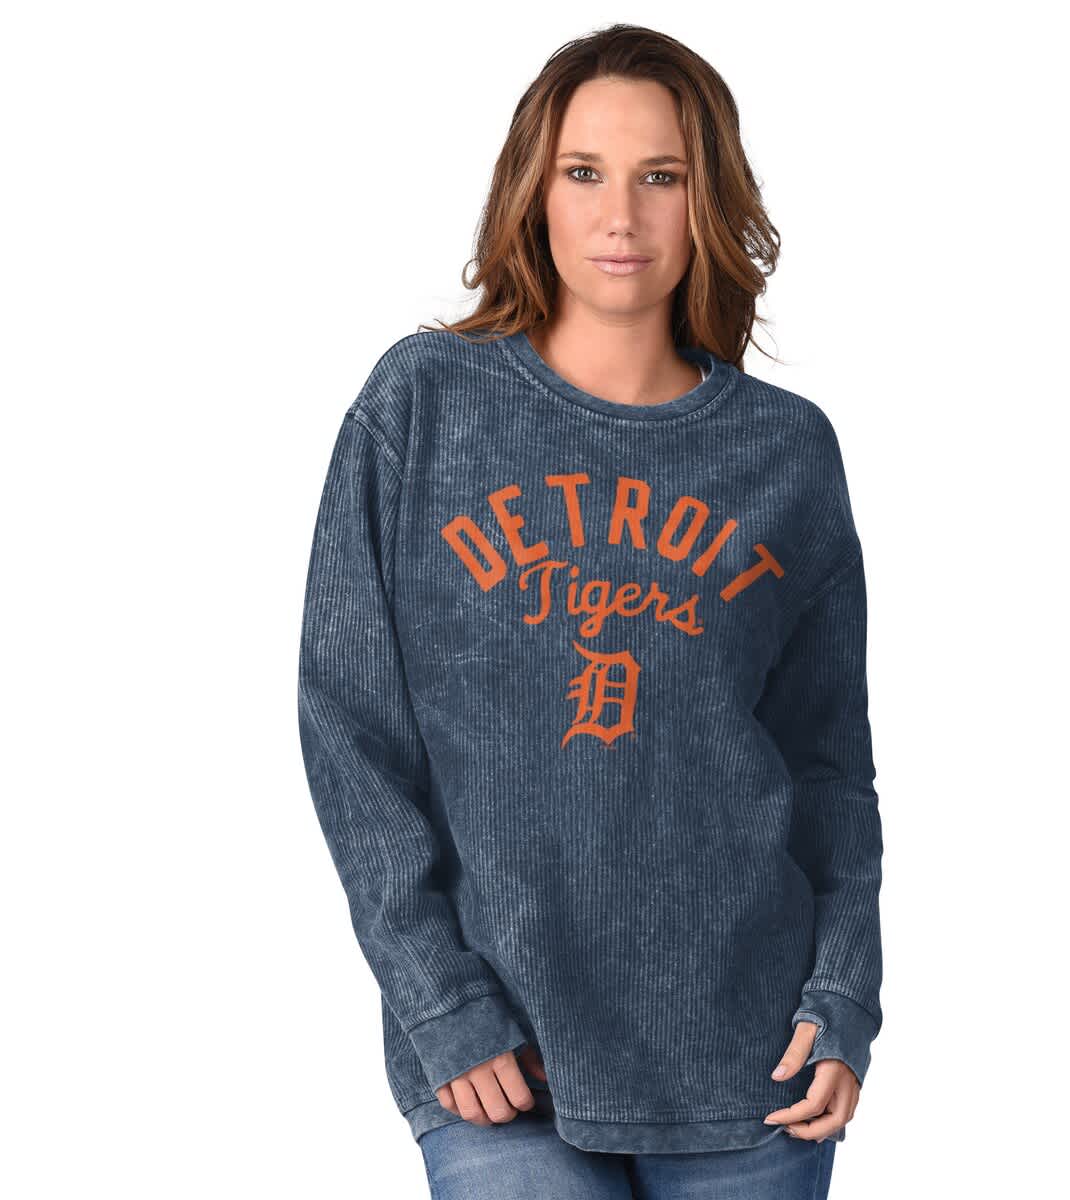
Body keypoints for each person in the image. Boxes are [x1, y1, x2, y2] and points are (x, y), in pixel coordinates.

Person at [297, 23, 883, 1200]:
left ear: (708, 200)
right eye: (584, 172)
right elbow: (351, 731)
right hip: (500, 1065)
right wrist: (438, 999)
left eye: (661, 175)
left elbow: (828, 767)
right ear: (534, 191)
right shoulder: (422, 407)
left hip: (751, 1064)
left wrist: (843, 995)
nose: (622, 216)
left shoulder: (785, 451)